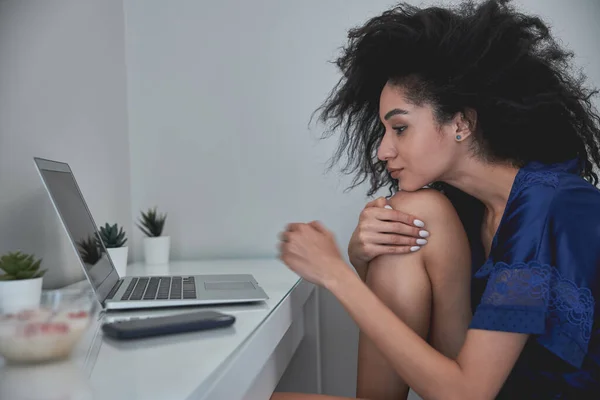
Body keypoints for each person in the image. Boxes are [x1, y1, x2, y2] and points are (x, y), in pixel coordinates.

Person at [273, 0, 600, 399]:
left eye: (400, 128)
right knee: (414, 214)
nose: (383, 151)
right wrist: (363, 259)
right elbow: (412, 329)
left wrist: (335, 275)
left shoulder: (548, 207)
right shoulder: (464, 208)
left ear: (460, 123)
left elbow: (467, 393)